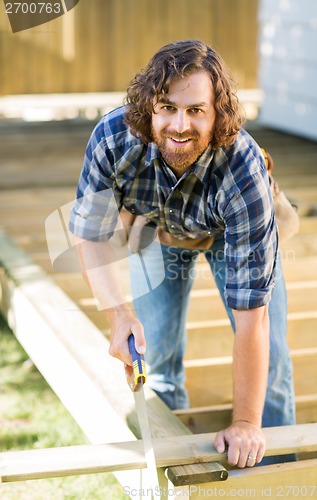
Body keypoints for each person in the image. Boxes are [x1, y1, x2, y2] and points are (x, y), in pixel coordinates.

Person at [69, 39, 296, 468]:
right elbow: (90, 233)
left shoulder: (242, 169)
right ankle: (171, 467)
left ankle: (274, 475)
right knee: (157, 362)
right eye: (167, 107)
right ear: (148, 107)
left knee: (275, 368)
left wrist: (246, 421)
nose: (179, 124)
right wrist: (118, 315)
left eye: (196, 110)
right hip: (160, 226)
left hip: (232, 232)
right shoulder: (113, 140)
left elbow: (253, 317)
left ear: (218, 113)